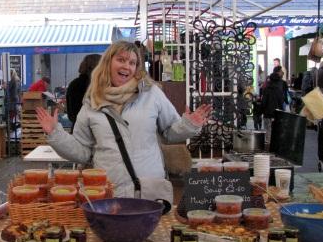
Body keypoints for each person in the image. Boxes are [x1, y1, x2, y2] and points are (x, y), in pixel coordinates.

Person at [35, 41, 211, 198]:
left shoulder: (151, 94)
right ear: (108, 63)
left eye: (132, 62)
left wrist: (189, 124)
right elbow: (82, 152)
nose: (127, 66)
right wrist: (55, 134)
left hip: (149, 190)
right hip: (109, 191)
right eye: (121, 60)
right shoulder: (92, 102)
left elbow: (170, 132)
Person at [66, 54, 101, 132]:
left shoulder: (73, 84)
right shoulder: (100, 86)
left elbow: (71, 115)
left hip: (77, 130)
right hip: (97, 132)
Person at [261, 66, 288, 144]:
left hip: (267, 113)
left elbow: (264, 101)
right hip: (277, 112)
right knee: (277, 129)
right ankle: (276, 145)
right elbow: (282, 100)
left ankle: (268, 145)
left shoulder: (266, 88)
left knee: (267, 131)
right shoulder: (280, 87)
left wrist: (262, 110)